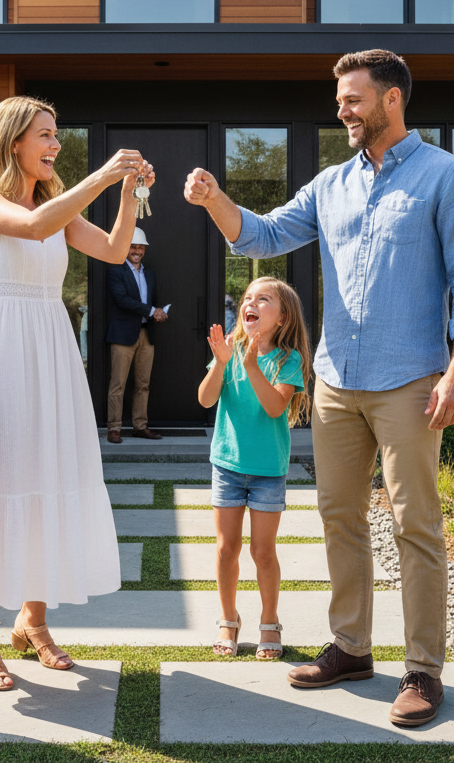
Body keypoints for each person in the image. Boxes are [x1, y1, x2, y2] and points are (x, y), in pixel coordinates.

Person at [184, 49, 454, 727]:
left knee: (415, 524)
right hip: (333, 381)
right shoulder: (330, 185)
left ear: (391, 100)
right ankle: (352, 647)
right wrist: (214, 201)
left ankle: (423, 670)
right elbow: (260, 237)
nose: (342, 110)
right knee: (338, 517)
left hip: (410, 379)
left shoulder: (446, 177)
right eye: (340, 100)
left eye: (353, 99)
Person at [0, 95, 154, 692]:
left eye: (56, 135)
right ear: (13, 142)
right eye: (46, 135)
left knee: (47, 473)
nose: (55, 145)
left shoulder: (52, 203)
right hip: (1, 348)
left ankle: (32, 621)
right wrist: (105, 173)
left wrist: (131, 194)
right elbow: (32, 228)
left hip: (51, 348)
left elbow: (112, 250)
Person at [199, 277, 311, 661]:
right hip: (228, 466)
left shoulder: (287, 360)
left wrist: (251, 365)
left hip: (267, 471)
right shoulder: (230, 351)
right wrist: (221, 363)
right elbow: (205, 398)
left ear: (281, 318)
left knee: (263, 551)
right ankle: (228, 620)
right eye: (248, 298)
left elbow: (276, 407)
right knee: (226, 548)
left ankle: (269, 620)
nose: (252, 303)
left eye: (264, 299)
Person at [105, 226, 168, 443]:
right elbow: (122, 300)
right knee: (118, 384)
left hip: (146, 335)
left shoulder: (149, 273)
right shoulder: (116, 270)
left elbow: (154, 299)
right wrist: (152, 311)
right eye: (133, 246)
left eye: (141, 247)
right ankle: (114, 428)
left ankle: (140, 426)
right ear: (126, 248)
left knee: (143, 384)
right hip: (123, 336)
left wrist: (159, 312)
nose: (137, 251)